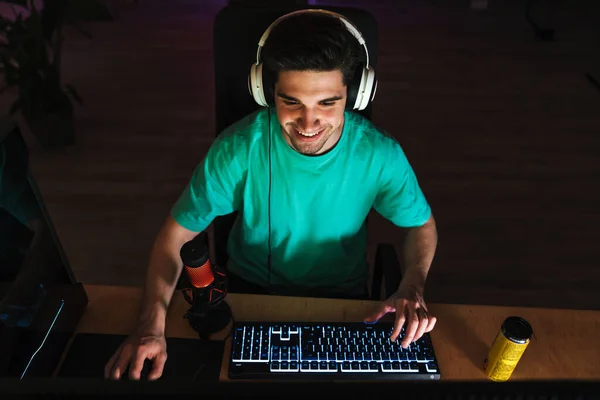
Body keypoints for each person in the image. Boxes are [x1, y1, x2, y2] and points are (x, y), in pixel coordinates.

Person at [105, 9, 438, 381]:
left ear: (357, 95)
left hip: (343, 300)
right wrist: (150, 327)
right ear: (265, 91)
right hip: (250, 297)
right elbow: (174, 236)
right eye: (291, 101)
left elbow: (421, 226)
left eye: (327, 103)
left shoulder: (379, 154)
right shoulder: (238, 148)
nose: (308, 124)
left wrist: (412, 284)